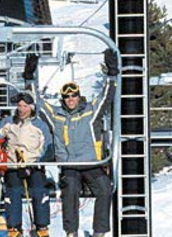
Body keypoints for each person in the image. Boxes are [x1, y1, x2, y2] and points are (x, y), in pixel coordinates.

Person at [23, 52, 117, 237]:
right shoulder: (56, 115)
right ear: (63, 99)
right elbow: (37, 103)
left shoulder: (91, 111)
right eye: (67, 96)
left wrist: (112, 74)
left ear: (79, 96)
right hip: (69, 166)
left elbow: (107, 96)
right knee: (70, 191)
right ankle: (71, 232)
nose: (70, 99)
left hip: (91, 164)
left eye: (74, 96)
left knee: (105, 188)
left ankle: (100, 231)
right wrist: (29, 78)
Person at [0, 91, 51, 237]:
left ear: (32, 107)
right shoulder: (8, 122)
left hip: (33, 165)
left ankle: (41, 226)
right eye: (20, 106)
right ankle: (14, 228)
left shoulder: (40, 125)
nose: (22, 109)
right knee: (14, 190)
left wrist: (37, 163)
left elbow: (48, 147)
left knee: (38, 189)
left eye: (25, 106)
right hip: (14, 165)